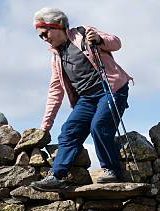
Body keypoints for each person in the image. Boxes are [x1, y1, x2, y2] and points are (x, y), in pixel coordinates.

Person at [30, 7, 133, 191]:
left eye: (45, 33)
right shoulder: (56, 58)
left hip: (111, 89)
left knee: (99, 125)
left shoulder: (83, 34)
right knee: (69, 131)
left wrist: (100, 40)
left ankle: (111, 170)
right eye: (40, 36)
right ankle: (57, 176)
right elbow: (55, 91)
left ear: (58, 25)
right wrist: (45, 126)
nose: (44, 38)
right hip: (86, 99)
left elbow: (116, 42)